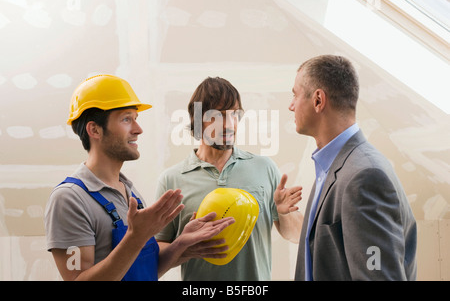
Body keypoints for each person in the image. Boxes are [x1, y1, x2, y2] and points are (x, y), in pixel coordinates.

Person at [44, 74, 234, 281]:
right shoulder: (69, 199)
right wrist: (136, 238)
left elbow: (143, 271)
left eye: (136, 119)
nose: (138, 129)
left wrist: (182, 245)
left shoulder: (130, 192)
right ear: (94, 129)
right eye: (126, 119)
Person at [155, 77, 303, 281]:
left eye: (235, 115)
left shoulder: (265, 168)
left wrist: (283, 212)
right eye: (218, 116)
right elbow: (158, 254)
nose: (230, 124)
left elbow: (296, 236)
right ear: (197, 121)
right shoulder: (171, 179)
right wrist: (185, 246)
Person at [289, 55, 417, 281]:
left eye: (295, 95)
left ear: (318, 100)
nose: (291, 106)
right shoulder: (333, 168)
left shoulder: (364, 177)